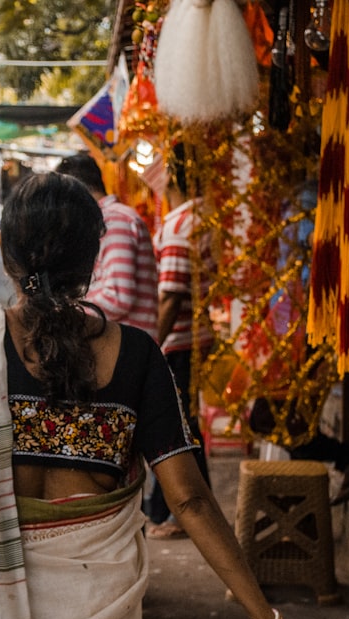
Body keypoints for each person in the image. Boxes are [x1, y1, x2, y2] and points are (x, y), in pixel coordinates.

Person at [0, 172, 294, 619]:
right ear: (93, 257)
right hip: (99, 616)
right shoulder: (138, 355)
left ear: (4, 251)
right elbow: (188, 500)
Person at [147, 145, 214, 539]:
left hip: (179, 341)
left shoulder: (179, 223)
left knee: (179, 427)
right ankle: (172, 508)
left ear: (171, 175)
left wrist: (150, 346)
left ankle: (181, 511)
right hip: (195, 337)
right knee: (184, 424)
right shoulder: (201, 217)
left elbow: (171, 295)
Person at [55, 151, 159, 340]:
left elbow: (118, 296)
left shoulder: (113, 220)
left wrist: (66, 313)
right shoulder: (110, 218)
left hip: (127, 344)